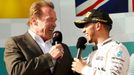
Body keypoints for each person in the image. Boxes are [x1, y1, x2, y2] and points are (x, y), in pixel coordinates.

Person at [4, 0, 75, 75]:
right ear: (34, 21)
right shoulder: (16, 43)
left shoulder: (63, 48)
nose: (54, 24)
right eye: (49, 20)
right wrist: (49, 57)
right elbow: (16, 71)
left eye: (55, 21)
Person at [71, 9, 130, 75]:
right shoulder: (92, 54)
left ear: (98, 26)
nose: (83, 30)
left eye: (86, 25)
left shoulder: (117, 49)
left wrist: (84, 69)